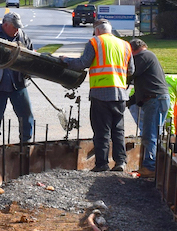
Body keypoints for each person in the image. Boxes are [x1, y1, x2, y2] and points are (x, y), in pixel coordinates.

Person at [60, 19, 134, 171]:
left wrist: (65, 60)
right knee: (118, 130)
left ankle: (102, 164)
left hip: (101, 92)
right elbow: (131, 70)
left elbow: (83, 63)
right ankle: (120, 162)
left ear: (97, 31)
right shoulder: (125, 45)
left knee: (102, 130)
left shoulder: (95, 42)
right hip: (120, 93)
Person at [0, 11, 35, 143]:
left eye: (18, 27)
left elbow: (32, 56)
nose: (17, 30)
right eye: (14, 27)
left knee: (26, 115)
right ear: (5, 24)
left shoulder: (22, 37)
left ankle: (26, 142)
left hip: (18, 84)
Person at [127, 38, 170, 171]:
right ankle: (154, 164)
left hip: (154, 100)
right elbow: (144, 83)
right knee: (154, 133)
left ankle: (150, 166)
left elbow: (130, 74)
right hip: (157, 99)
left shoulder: (143, 56)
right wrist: (129, 102)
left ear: (132, 50)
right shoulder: (148, 57)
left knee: (150, 134)